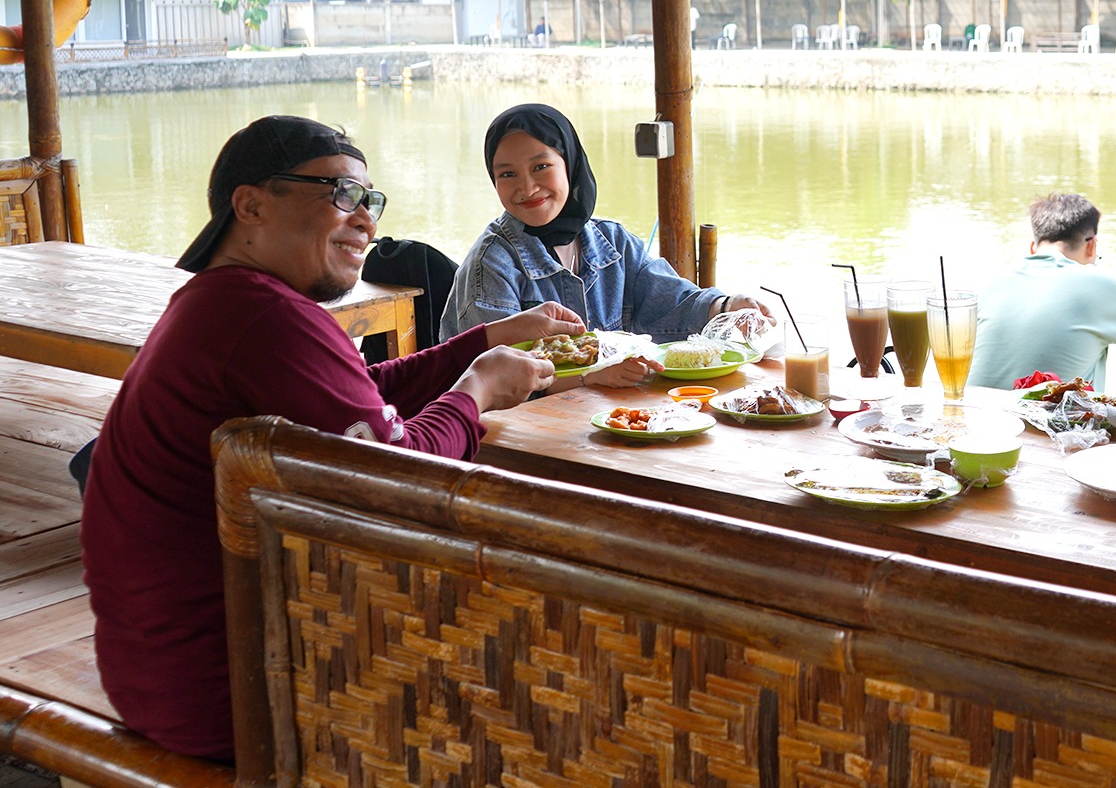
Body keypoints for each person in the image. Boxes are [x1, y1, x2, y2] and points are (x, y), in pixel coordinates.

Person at [81, 115, 578, 762]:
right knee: (538, 643)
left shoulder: (223, 301)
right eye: (342, 194)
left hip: (165, 677)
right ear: (251, 205)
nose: (367, 220)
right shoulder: (261, 317)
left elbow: (361, 389)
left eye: (370, 200)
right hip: (233, 698)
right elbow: (399, 478)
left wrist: (486, 340)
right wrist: (475, 391)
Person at [443, 104, 770, 385]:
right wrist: (586, 377)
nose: (527, 187)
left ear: (570, 164)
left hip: (602, 421)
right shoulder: (491, 265)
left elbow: (672, 303)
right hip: (510, 440)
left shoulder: (611, 241)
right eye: (507, 174)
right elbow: (491, 375)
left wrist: (727, 308)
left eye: (541, 167)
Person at [967, 192, 1116, 391]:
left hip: (978, 419)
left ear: (1034, 248)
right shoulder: (1103, 287)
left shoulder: (992, 284)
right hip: (1045, 426)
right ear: (1091, 246)